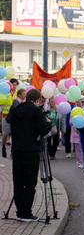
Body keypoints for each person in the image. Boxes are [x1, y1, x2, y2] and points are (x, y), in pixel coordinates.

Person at [6, 89, 51, 221]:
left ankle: (20, 212)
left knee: (18, 181)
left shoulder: (16, 109)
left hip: (17, 150)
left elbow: (8, 121)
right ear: (38, 100)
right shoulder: (36, 111)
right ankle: (26, 212)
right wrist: (48, 122)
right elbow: (43, 130)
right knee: (30, 182)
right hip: (31, 150)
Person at [1, 78, 20, 158]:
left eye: (16, 85)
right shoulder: (5, 92)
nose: (15, 86)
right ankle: (3, 147)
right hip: (5, 116)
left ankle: (13, 152)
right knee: (5, 134)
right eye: (13, 85)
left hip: (14, 117)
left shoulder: (17, 93)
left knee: (14, 134)